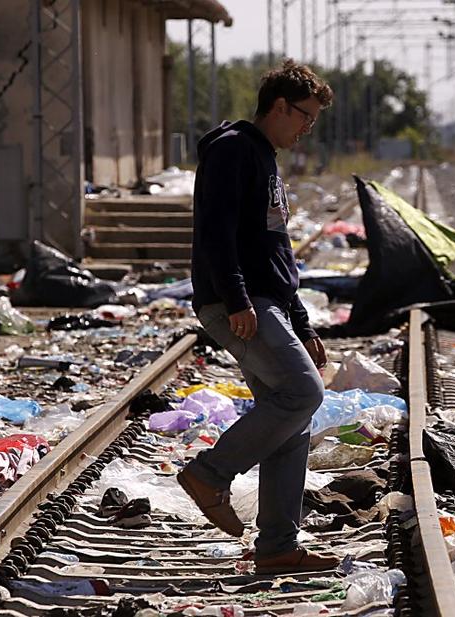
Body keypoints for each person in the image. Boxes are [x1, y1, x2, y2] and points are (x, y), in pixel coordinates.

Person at [177, 60, 337, 575]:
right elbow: (216, 234)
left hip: (266, 302)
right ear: (279, 106)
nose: (307, 127)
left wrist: (303, 322)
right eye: (305, 117)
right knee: (303, 393)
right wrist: (239, 298)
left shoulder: (264, 157)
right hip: (238, 304)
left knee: (290, 420)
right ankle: (209, 474)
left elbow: (276, 250)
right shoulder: (232, 151)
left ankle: (277, 548)